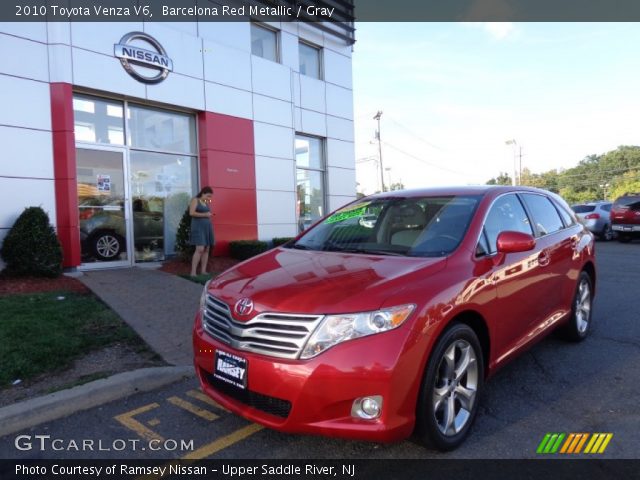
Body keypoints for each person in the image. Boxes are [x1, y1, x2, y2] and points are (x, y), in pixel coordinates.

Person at [189, 186, 215, 276]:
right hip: (198, 227)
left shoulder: (206, 201)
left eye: (210, 196)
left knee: (207, 249)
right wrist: (205, 214)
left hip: (207, 227)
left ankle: (203, 271)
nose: (209, 198)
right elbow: (191, 213)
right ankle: (193, 272)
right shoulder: (195, 200)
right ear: (203, 193)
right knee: (200, 249)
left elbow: (208, 210)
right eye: (208, 196)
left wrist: (210, 214)